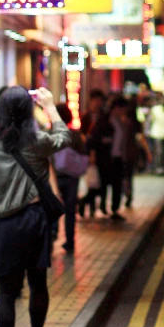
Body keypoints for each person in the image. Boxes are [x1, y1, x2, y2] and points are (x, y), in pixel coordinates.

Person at [0, 86, 70, 327]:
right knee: (37, 284)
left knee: (7, 290)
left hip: (2, 225)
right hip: (33, 220)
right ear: (29, 111)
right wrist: (50, 107)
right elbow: (64, 138)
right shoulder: (36, 141)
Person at [52, 103, 88, 252]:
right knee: (70, 209)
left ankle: (53, 234)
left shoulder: (49, 133)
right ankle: (70, 241)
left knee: (52, 207)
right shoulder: (75, 134)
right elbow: (83, 153)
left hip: (53, 177)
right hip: (72, 177)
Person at [79, 89, 108, 218]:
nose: (97, 103)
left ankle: (97, 205)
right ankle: (86, 204)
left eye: (99, 100)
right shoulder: (86, 116)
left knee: (101, 181)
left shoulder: (104, 116)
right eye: (95, 100)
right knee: (92, 182)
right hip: (89, 153)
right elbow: (82, 134)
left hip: (102, 153)